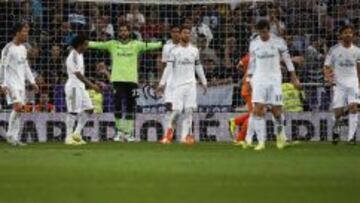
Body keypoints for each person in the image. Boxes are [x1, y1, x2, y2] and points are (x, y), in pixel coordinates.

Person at [88, 24, 162, 142]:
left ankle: (127, 133)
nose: (123, 32)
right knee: (117, 105)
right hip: (117, 80)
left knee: (131, 106)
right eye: (121, 30)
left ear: (129, 32)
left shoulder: (136, 44)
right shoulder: (112, 44)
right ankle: (119, 132)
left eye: (125, 30)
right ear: (119, 32)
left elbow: (151, 46)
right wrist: (83, 42)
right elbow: (98, 45)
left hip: (132, 80)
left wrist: (163, 43)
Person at [245, 20, 301, 151]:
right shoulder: (254, 44)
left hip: (275, 79)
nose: (263, 35)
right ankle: (261, 142)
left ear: (268, 30)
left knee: (277, 111)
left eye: (265, 31)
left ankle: (281, 139)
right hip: (259, 79)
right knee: (258, 109)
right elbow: (252, 63)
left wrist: (293, 76)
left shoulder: (279, 41)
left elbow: (287, 59)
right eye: (260, 32)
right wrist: (248, 79)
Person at [157, 25, 207, 144]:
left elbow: (198, 66)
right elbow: (168, 68)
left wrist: (204, 81)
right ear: (180, 35)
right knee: (177, 111)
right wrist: (162, 83)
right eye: (184, 33)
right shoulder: (174, 51)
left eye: (188, 33)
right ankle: (169, 133)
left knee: (189, 110)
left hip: (191, 85)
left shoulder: (194, 50)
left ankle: (185, 138)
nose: (187, 35)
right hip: (177, 85)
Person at [0, 22, 39, 146]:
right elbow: (2, 67)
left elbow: (26, 66)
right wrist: (2, 84)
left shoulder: (23, 48)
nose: (26, 34)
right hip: (11, 83)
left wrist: (32, 81)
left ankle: (14, 138)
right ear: (17, 33)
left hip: (21, 84)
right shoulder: (7, 49)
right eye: (24, 31)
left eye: (27, 31)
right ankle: (10, 135)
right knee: (17, 107)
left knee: (20, 110)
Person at [324, 25, 360, 145]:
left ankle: (351, 138)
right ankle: (336, 131)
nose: (348, 35)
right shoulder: (334, 50)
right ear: (341, 35)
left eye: (350, 32)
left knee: (354, 108)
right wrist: (329, 78)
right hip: (339, 84)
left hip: (353, 82)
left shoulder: (357, 51)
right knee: (338, 112)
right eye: (345, 33)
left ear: (353, 35)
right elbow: (327, 66)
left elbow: (359, 68)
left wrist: (359, 83)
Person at [64, 35, 101, 145]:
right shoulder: (73, 56)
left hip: (81, 87)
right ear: (80, 45)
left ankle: (77, 133)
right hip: (74, 87)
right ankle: (68, 137)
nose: (87, 46)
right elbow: (78, 74)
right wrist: (92, 85)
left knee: (89, 109)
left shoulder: (80, 55)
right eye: (85, 44)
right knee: (73, 111)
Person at [158, 24, 180, 144]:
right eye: (173, 32)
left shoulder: (188, 47)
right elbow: (163, 65)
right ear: (170, 33)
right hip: (170, 81)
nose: (175, 34)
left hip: (183, 82)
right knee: (168, 108)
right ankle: (167, 135)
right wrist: (163, 81)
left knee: (182, 109)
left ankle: (183, 134)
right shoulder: (167, 47)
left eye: (178, 31)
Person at [229, 53, 252, 147]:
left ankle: (235, 121)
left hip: (256, 88)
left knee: (256, 113)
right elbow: (239, 65)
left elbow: (240, 66)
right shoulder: (251, 56)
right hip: (250, 89)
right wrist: (246, 77)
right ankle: (240, 139)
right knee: (254, 115)